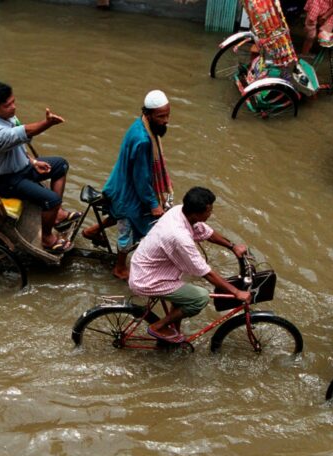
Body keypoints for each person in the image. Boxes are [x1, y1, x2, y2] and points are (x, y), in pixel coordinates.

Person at [128, 187, 251, 343]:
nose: (211, 214)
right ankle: (158, 326)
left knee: (185, 295)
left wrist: (232, 246)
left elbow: (207, 233)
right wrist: (236, 292)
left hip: (151, 267)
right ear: (196, 213)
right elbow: (205, 272)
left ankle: (172, 331)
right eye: (209, 211)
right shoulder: (180, 236)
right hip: (148, 279)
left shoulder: (180, 211)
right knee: (200, 298)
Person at [84, 89, 172, 281]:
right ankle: (119, 267)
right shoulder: (143, 140)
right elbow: (141, 179)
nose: (166, 120)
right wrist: (153, 204)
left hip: (119, 182)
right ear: (148, 114)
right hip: (127, 193)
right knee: (128, 228)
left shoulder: (139, 124)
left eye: (167, 115)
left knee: (126, 217)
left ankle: (93, 230)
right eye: (161, 116)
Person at [0, 82, 78, 253]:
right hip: (9, 180)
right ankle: (47, 238)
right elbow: (25, 132)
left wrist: (33, 162)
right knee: (52, 200)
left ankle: (56, 214)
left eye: (13, 102)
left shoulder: (7, 117)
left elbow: (19, 145)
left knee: (60, 165)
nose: (13, 108)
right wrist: (47, 123)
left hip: (24, 167)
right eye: (7, 105)